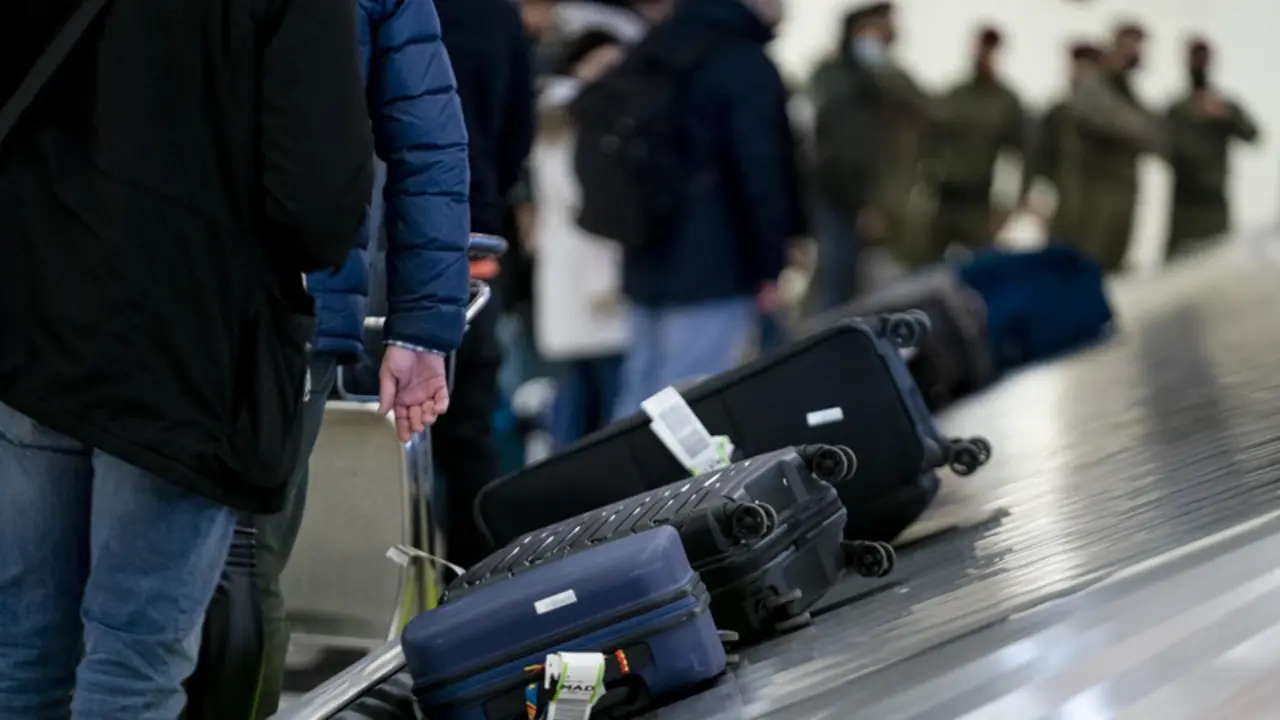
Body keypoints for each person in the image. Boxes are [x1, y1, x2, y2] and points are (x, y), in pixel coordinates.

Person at [0, 0, 373, 716]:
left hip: (33, 314)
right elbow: (318, 199)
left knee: (22, 654)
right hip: (187, 344)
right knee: (134, 663)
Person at [251, 0, 472, 714]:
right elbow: (427, 141)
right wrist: (419, 334)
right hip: (296, 297)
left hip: (106, 297)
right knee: (245, 566)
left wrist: (420, 329)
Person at [611, 0, 803, 419]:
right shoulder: (741, 61)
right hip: (716, 259)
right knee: (689, 405)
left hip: (645, 248)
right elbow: (761, 168)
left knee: (640, 397)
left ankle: (614, 483)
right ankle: (662, 486)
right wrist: (770, 263)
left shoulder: (655, 45)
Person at [436, 0, 537, 568]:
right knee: (469, 427)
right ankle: (475, 585)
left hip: (377, 239)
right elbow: (517, 122)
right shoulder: (495, 14)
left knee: (366, 430)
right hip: (473, 234)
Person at [531, 13, 648, 450]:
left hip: (572, 274)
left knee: (578, 395)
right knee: (599, 402)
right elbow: (590, 201)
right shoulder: (580, 115)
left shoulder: (554, 113)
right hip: (592, 273)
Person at [1064, 23, 1168, 272]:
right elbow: (1110, 118)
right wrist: (1141, 128)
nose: (1134, 55)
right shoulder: (1093, 84)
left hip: (1121, 206)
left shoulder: (1128, 92)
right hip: (1092, 208)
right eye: (1129, 47)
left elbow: (1159, 138)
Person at [806, 6, 887, 311]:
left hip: (850, 198)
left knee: (844, 287)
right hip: (839, 197)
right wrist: (863, 203)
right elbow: (845, 150)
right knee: (834, 292)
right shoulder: (840, 81)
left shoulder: (871, 81)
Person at [926, 26, 1026, 260]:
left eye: (990, 48)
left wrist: (1003, 207)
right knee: (929, 269)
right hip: (944, 198)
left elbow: (1014, 158)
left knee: (982, 271)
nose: (984, 54)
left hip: (981, 202)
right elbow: (931, 144)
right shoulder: (954, 95)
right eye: (980, 47)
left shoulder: (1006, 102)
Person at [1164, 38, 1259, 259]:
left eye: (1202, 59)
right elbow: (1162, 146)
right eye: (1194, 58)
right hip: (1184, 203)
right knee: (1179, 265)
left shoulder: (1223, 105)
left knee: (1216, 262)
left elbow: (1253, 135)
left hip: (1215, 202)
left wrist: (1225, 116)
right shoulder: (1176, 109)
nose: (1198, 65)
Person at [1023, 42, 1100, 240]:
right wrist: (1038, 194)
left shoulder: (1107, 119)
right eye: (1075, 67)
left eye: (1084, 69)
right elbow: (1039, 157)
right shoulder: (1058, 113)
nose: (1077, 74)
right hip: (1061, 206)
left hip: (1097, 209)